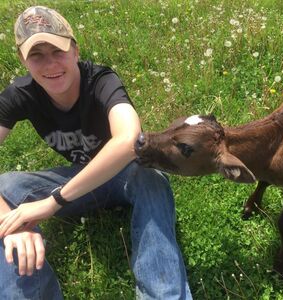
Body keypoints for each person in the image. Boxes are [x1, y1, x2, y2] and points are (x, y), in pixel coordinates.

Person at [0, 5, 192, 300]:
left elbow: (129, 140)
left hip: (122, 175)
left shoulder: (101, 80)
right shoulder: (19, 94)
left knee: (150, 176)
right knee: (5, 190)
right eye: (36, 55)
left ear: (75, 51)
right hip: (77, 180)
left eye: (58, 51)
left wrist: (54, 201)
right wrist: (12, 226)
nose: (50, 64)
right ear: (23, 60)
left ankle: (163, 296)